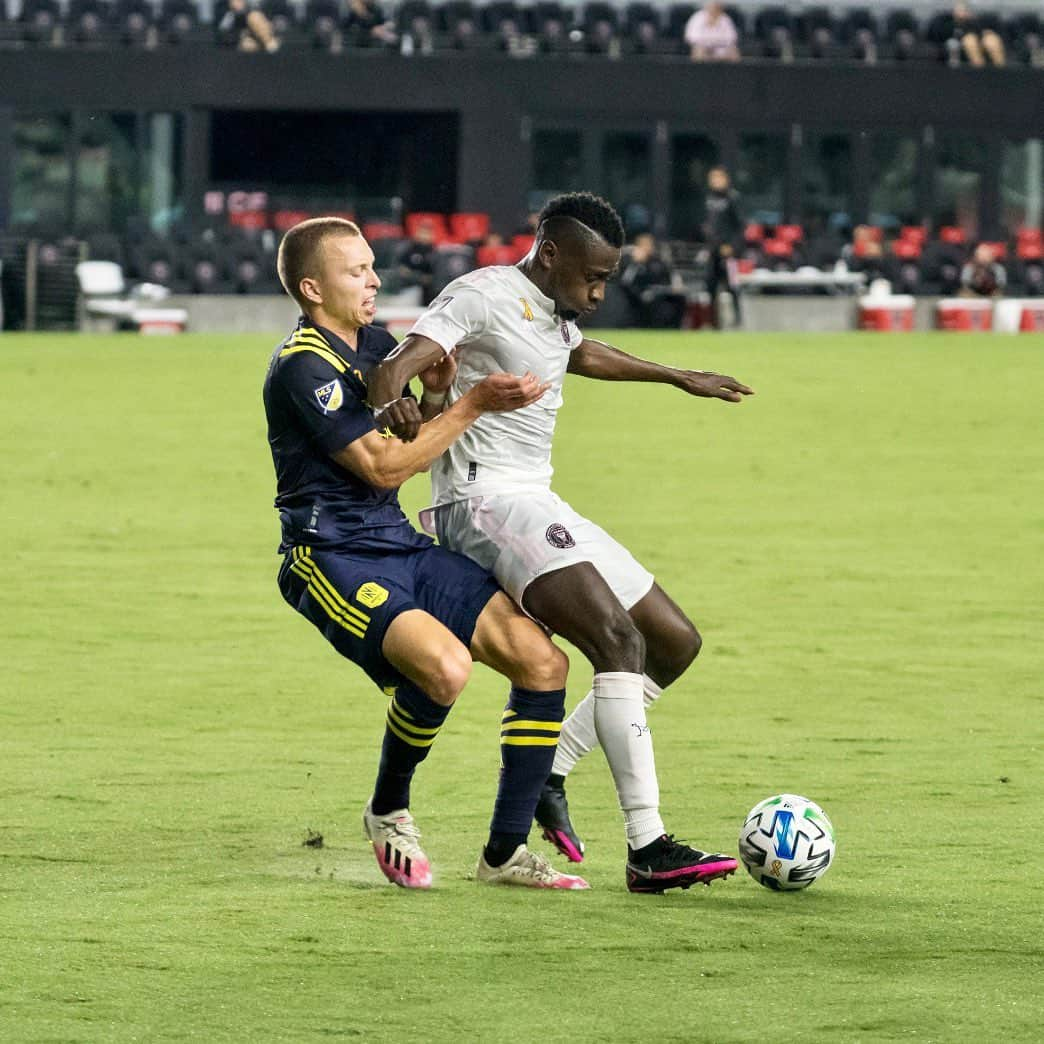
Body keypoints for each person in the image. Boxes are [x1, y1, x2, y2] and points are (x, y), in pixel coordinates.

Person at [368, 193, 753, 894]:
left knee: (673, 643)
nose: (600, 293)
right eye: (593, 278)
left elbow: (580, 353)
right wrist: (391, 393)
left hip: (536, 499)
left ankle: (551, 769)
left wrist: (678, 376)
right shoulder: (483, 294)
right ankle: (648, 844)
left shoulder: (554, 314)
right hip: (481, 504)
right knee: (617, 642)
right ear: (550, 255)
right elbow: (404, 358)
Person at [263, 217, 589, 891]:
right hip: (330, 556)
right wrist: (470, 404)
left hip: (398, 541)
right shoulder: (303, 365)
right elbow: (384, 468)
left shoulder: (379, 347)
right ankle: (388, 811)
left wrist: (436, 393)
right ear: (312, 288)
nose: (375, 279)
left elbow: (413, 441)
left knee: (543, 661)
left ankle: (504, 853)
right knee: (445, 669)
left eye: (372, 266)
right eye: (356, 271)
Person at [702, 166, 744, 328]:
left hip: (728, 252)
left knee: (732, 285)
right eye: (713, 178)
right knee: (710, 285)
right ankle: (713, 322)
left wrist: (732, 246)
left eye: (719, 178)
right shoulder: (708, 199)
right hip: (712, 250)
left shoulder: (732, 199)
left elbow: (740, 226)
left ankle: (737, 320)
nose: (715, 181)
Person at [618, 233, 686, 328]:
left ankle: (677, 327)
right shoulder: (631, 263)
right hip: (639, 296)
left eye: (649, 245)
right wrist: (635, 263)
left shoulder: (657, 262)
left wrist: (675, 284)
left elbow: (670, 276)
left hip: (660, 293)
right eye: (644, 245)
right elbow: (626, 282)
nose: (648, 248)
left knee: (680, 298)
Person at [394, 221, 436, 304]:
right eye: (422, 233)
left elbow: (435, 275)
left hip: (430, 292)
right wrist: (419, 277)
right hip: (410, 288)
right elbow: (402, 270)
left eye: (427, 233)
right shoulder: (409, 249)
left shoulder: (435, 251)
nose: (424, 236)